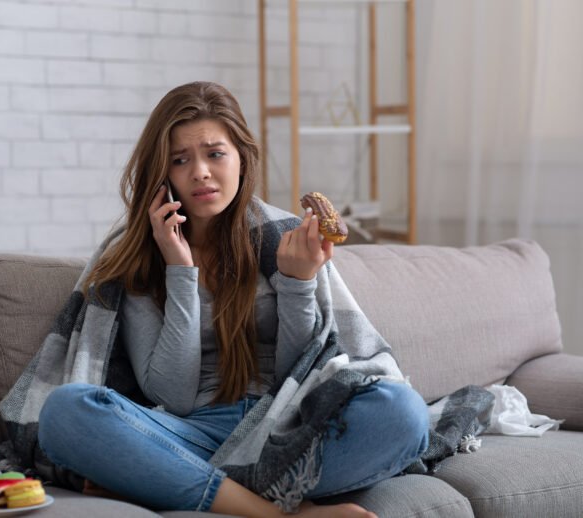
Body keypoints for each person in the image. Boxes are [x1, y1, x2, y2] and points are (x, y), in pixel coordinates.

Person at [35, 82, 429, 518]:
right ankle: (277, 512)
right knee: (67, 411)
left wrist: (298, 283)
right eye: (181, 160)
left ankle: (169, 481)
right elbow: (175, 396)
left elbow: (300, 377)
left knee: (403, 413)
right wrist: (180, 271)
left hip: (285, 429)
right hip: (187, 429)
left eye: (215, 154)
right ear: (162, 175)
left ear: (242, 156)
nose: (200, 172)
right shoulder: (138, 256)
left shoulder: (286, 237)